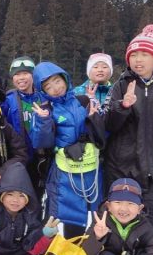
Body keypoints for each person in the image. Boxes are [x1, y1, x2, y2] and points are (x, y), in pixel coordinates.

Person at [104, 24, 153, 233]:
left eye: (145, 54)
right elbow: (107, 124)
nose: (138, 60)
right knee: (119, 217)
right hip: (122, 167)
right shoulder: (121, 85)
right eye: (134, 55)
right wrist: (123, 106)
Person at [30, 61, 104, 238]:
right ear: (43, 91)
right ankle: (61, 252)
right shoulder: (45, 110)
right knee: (68, 213)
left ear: (65, 78)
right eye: (48, 86)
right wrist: (43, 122)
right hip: (64, 170)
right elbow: (41, 142)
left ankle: (90, 251)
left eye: (57, 81)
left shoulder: (82, 100)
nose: (55, 88)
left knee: (95, 211)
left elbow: (101, 134)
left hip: (91, 167)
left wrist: (95, 117)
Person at [1, 56, 49, 202]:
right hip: (18, 157)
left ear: (33, 75)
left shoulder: (44, 97)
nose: (21, 78)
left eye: (25, 73)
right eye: (16, 74)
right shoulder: (9, 99)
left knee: (37, 197)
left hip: (41, 157)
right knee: (18, 198)